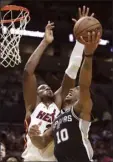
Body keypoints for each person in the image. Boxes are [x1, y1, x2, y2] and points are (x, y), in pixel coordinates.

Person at [22, 6, 93, 161]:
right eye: (41, 87)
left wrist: (80, 42)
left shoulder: (59, 103)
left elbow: (72, 70)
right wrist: (45, 42)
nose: (46, 86)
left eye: (48, 86)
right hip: (33, 156)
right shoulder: (32, 105)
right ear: (37, 94)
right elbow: (28, 72)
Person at [29, 31, 101, 162]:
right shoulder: (57, 119)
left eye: (76, 89)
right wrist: (34, 137)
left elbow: (84, 84)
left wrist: (88, 55)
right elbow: (43, 141)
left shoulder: (81, 110)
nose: (72, 89)